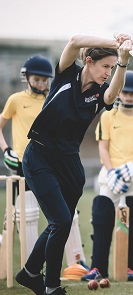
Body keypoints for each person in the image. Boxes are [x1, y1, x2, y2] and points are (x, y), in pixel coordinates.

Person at [15, 33, 133, 295]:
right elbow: (74, 40)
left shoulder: (102, 92)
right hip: (39, 157)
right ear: (89, 61)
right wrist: (116, 42)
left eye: (112, 68)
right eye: (106, 66)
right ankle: (52, 288)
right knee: (61, 220)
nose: (108, 72)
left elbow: (113, 92)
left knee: (61, 223)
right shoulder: (66, 72)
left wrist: (123, 62)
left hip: (70, 162)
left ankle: (30, 272)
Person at [81, 70, 133, 282]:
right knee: (101, 215)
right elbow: (103, 147)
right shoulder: (107, 115)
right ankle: (98, 267)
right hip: (110, 175)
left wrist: (132, 167)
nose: (129, 97)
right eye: (126, 92)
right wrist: (112, 171)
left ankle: (131, 267)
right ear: (119, 92)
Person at [0, 55, 53, 258]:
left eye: (44, 79)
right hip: (20, 164)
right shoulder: (15, 99)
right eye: (37, 79)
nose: (41, 83)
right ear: (27, 77)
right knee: (14, 214)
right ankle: (7, 251)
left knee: (41, 212)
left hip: (45, 163)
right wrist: (6, 150)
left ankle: (32, 256)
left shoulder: (50, 100)